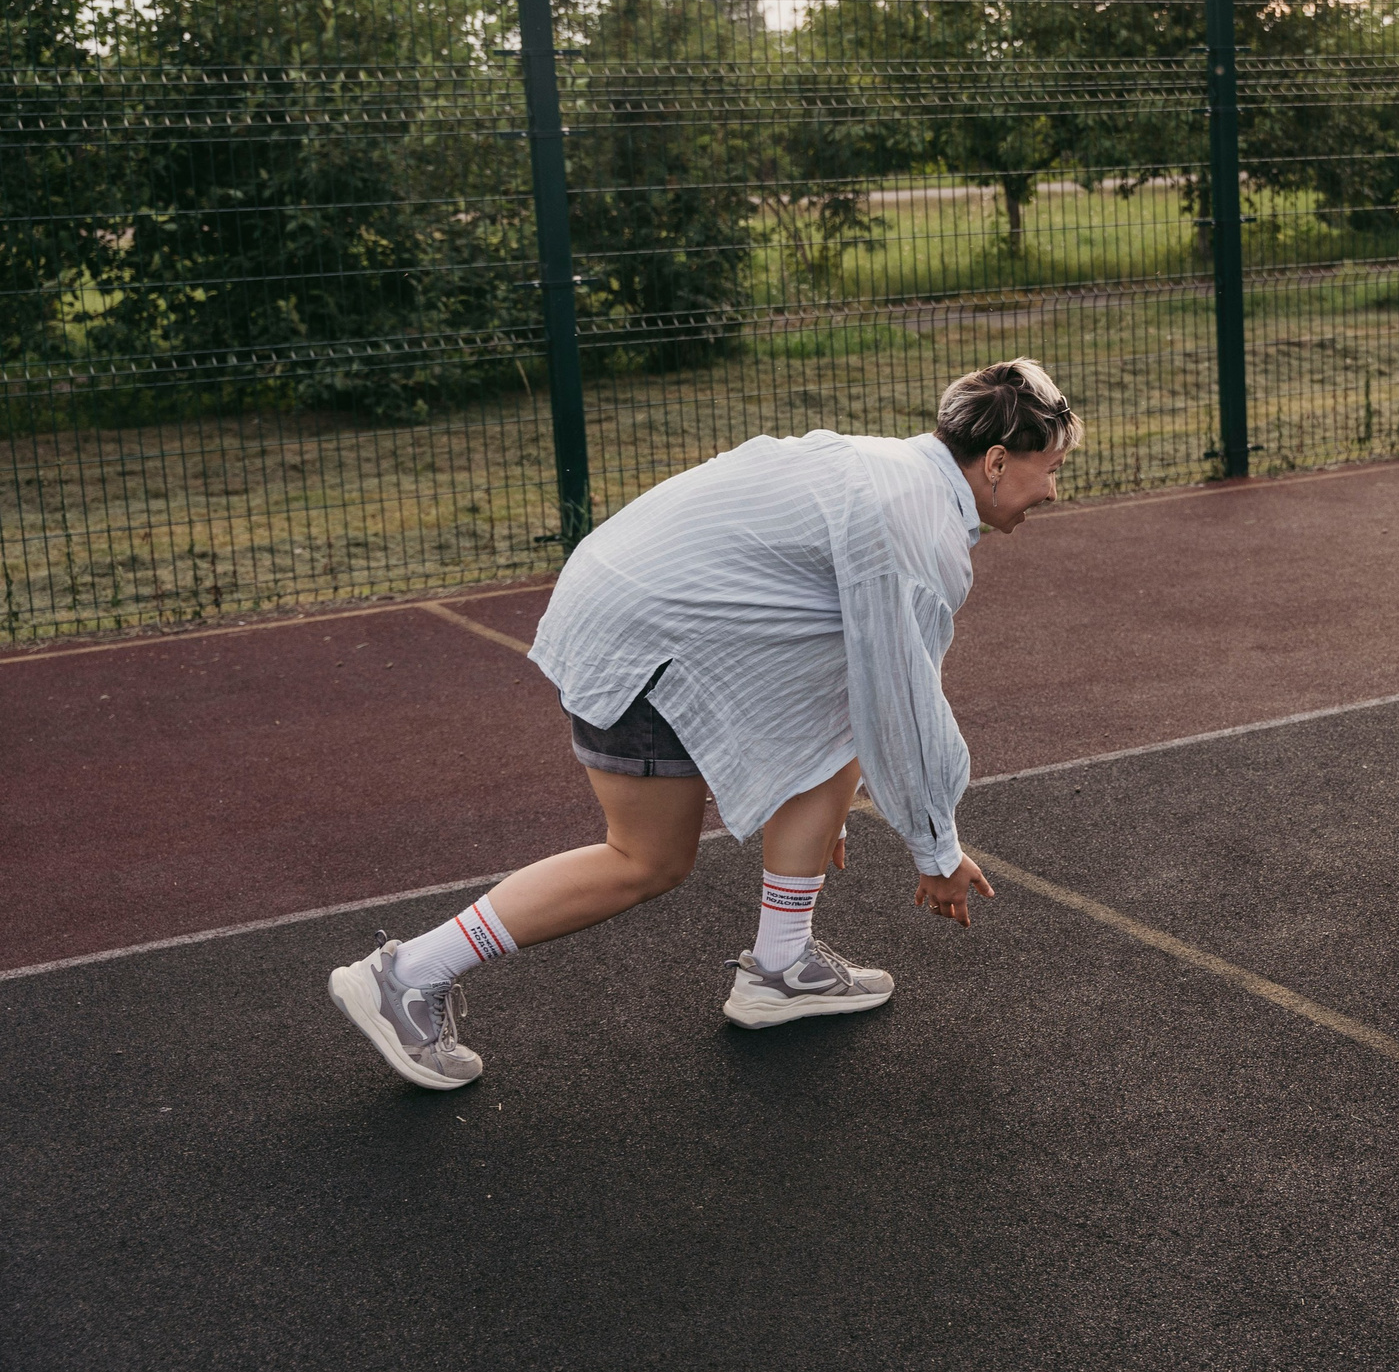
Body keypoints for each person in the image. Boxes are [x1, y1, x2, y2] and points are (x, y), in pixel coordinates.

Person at [328, 359, 1080, 1089]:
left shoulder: (894, 468)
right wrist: (936, 849)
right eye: (1049, 468)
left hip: (625, 597)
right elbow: (902, 703)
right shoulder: (918, 529)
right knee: (646, 859)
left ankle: (781, 967)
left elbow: (858, 686)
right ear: (994, 461)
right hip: (642, 635)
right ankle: (407, 975)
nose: (1052, 489)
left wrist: (815, 787)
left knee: (837, 726)